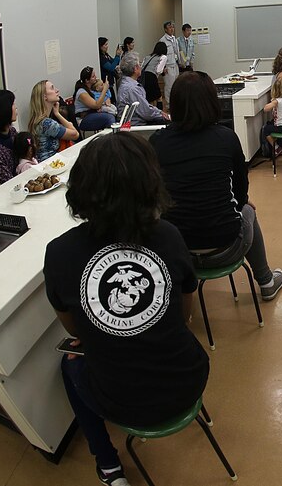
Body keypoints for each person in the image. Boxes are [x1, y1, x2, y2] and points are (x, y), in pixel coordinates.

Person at [44, 131, 209, 486]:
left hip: (118, 400)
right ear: (150, 183)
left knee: (69, 361)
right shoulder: (168, 235)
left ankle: (108, 464)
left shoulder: (59, 252)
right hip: (188, 380)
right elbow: (184, 315)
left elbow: (74, 330)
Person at [151, 71, 282, 300]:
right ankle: (266, 281)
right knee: (248, 210)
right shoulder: (226, 138)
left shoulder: (157, 142)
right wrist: (240, 202)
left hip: (176, 249)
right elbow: (241, 190)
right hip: (226, 247)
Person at [28, 80, 79, 162]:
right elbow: (75, 134)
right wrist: (58, 114)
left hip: (48, 164)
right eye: (52, 88)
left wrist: (56, 113)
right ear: (44, 96)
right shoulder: (47, 124)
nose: (57, 90)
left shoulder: (38, 121)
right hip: (53, 165)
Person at [117, 53, 169, 126]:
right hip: (136, 125)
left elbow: (145, 106)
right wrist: (163, 115)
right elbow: (146, 112)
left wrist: (159, 112)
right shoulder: (131, 88)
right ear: (135, 69)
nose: (141, 66)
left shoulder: (126, 83)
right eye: (139, 64)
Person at [73, 66, 115, 132]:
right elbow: (96, 105)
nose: (95, 77)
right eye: (93, 76)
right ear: (87, 80)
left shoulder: (91, 89)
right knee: (109, 118)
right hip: (83, 118)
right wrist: (105, 89)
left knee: (113, 113)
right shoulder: (81, 92)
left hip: (93, 113)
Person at [160, 21, 180, 109]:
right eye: (169, 27)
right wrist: (163, 67)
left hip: (175, 64)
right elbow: (161, 55)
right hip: (168, 66)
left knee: (176, 85)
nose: (172, 29)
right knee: (169, 86)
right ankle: (169, 105)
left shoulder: (174, 39)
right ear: (165, 29)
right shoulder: (162, 40)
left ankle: (176, 103)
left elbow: (177, 52)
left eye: (173, 27)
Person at [140, 42, 166, 106]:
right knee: (158, 97)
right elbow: (158, 70)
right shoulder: (163, 57)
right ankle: (159, 113)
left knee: (149, 99)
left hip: (143, 77)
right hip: (152, 77)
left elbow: (141, 67)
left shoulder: (147, 56)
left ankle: (150, 114)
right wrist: (164, 71)